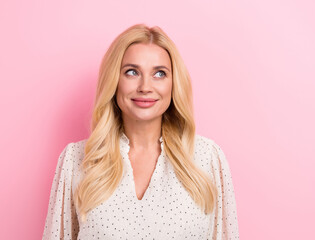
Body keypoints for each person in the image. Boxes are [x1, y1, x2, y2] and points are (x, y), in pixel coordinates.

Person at [42, 23, 240, 239]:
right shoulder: (76, 160)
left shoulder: (207, 158)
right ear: (114, 81)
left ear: (174, 84)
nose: (145, 86)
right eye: (132, 72)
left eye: (159, 74)